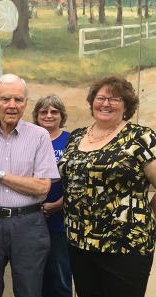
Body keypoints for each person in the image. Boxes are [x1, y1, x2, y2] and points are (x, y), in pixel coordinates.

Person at [58, 76, 156, 297]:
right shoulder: (76, 137)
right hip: (79, 241)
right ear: (92, 102)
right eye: (100, 98)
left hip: (125, 244)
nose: (105, 103)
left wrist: (148, 215)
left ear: (126, 106)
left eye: (114, 99)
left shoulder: (140, 138)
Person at [0, 73, 60, 297]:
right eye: (6, 99)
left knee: (29, 290)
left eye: (18, 100)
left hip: (28, 224)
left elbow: (42, 188)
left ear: (26, 103)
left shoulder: (39, 136)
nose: (12, 105)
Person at [32, 95, 72, 297]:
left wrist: (58, 205)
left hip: (59, 222)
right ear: (36, 116)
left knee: (60, 278)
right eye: (43, 112)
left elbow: (77, 182)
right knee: (33, 279)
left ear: (61, 116)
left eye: (54, 111)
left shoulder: (71, 141)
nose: (48, 115)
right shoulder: (29, 139)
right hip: (30, 220)